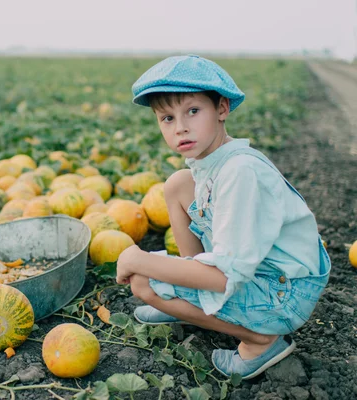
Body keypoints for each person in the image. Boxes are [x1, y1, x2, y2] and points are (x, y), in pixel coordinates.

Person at [115, 55, 331, 379]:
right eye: (167, 118)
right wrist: (182, 275)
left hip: (282, 294)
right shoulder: (213, 163)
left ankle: (260, 341)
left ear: (222, 109)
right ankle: (197, 300)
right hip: (267, 277)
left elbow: (225, 277)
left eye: (192, 111)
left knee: (144, 283)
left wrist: (139, 258)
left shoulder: (240, 171)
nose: (181, 127)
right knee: (177, 185)